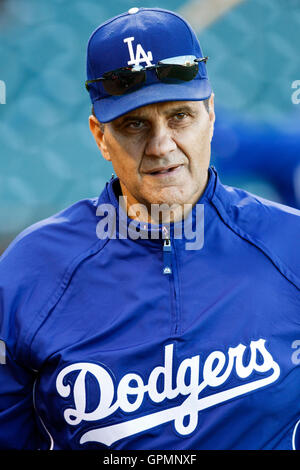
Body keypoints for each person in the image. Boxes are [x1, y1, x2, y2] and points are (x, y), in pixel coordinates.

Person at [0, 7, 299, 451]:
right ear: (100, 136)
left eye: (180, 116)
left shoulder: (289, 247)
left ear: (211, 114)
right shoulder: (29, 274)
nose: (162, 146)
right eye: (134, 124)